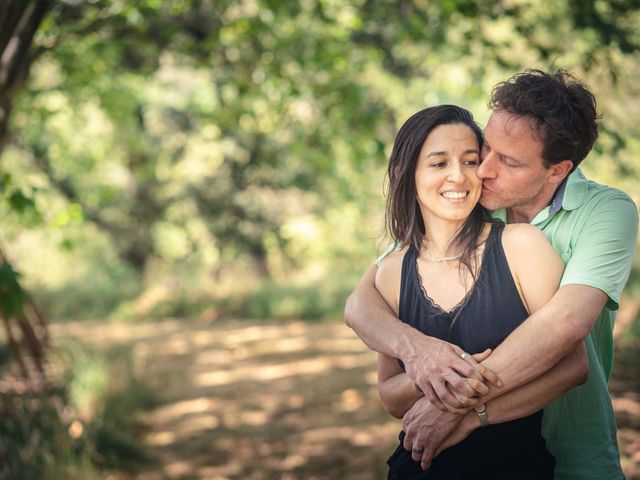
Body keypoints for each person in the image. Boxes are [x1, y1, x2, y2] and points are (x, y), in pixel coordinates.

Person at [345, 69, 638, 479]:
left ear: (557, 170)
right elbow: (361, 303)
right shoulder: (469, 205)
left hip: (573, 441)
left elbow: (564, 325)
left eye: (509, 161)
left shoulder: (605, 213)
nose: (481, 170)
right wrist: (420, 352)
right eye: (485, 149)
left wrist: (461, 409)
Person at [374, 104, 584, 479]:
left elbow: (573, 367)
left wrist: (468, 410)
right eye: (439, 164)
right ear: (409, 173)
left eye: (471, 161)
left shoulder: (522, 246)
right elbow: (389, 396)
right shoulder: (391, 271)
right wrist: (438, 370)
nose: (457, 176)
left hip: (516, 468)